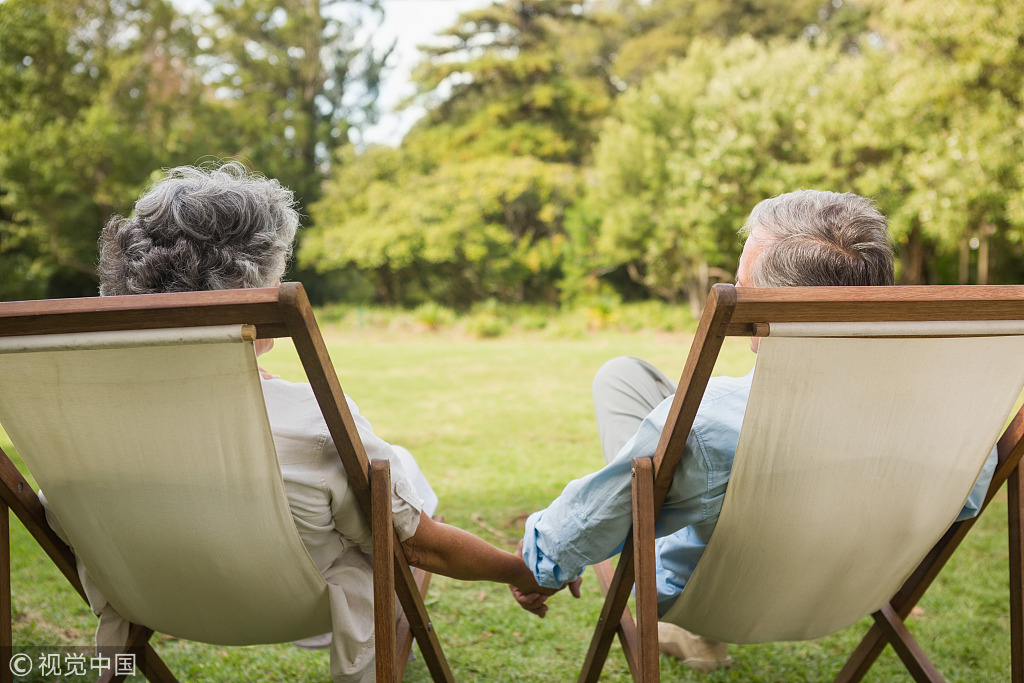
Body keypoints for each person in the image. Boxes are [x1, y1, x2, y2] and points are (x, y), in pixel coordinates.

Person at [41, 162, 554, 683]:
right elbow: (417, 543)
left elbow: (60, 521)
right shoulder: (313, 425)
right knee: (398, 479)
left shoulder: (75, 425)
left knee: (394, 471)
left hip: (152, 598)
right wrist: (522, 569)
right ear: (252, 289)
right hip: (295, 604)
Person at [512, 190, 998, 672]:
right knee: (626, 376)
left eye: (743, 278)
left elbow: (573, 534)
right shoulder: (959, 426)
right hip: (853, 589)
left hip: (703, 596)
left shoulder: (709, 426)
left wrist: (540, 563)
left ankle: (695, 632)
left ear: (764, 311)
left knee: (653, 433)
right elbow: (968, 501)